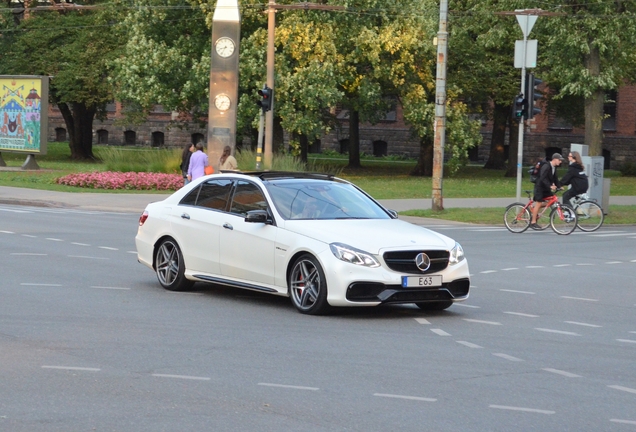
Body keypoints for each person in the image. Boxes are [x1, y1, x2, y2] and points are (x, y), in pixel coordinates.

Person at [529, 153, 565, 229]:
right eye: (559, 160)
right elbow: (542, 178)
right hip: (539, 187)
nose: (560, 162)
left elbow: (555, 178)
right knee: (539, 203)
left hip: (545, 188)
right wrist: (550, 186)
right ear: (554, 159)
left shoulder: (554, 167)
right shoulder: (546, 166)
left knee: (551, 201)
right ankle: (533, 222)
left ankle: (534, 209)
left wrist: (559, 186)